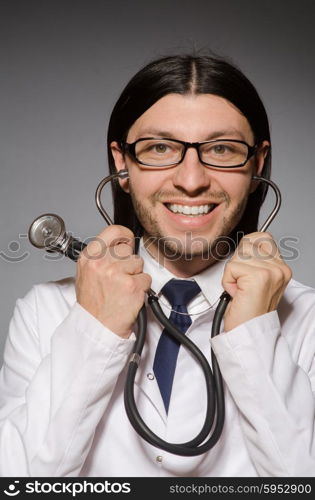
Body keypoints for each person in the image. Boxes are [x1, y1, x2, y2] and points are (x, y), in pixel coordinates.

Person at [0, 53, 314, 478]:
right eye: (160, 148)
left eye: (221, 149)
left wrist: (255, 337)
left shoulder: (308, 322)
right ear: (122, 163)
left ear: (257, 164)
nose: (190, 179)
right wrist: (95, 330)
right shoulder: (44, 313)